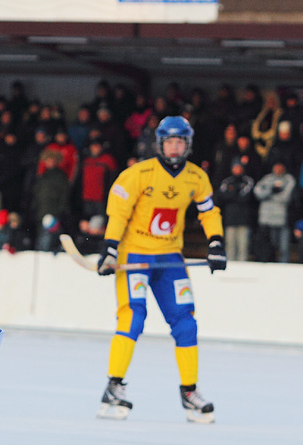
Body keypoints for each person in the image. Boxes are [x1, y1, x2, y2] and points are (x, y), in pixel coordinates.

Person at [96, 116, 226, 424]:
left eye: (180, 142)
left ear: (188, 145)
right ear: (160, 144)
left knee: (186, 323)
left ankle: (190, 392)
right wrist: (110, 247)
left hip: (170, 258)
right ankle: (113, 387)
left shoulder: (196, 177)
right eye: (170, 142)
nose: (175, 147)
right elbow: (118, 212)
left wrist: (217, 243)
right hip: (136, 256)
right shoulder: (138, 175)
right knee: (133, 315)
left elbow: (209, 212)